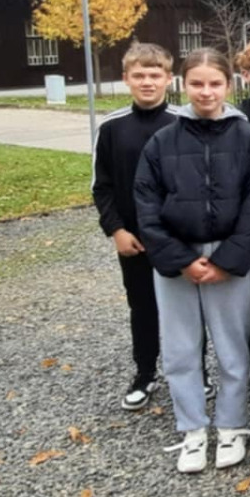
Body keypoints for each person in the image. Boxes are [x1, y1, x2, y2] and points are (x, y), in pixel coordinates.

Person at [133, 49, 250, 474]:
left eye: (215, 83)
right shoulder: (162, 141)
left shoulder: (248, 138)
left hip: (228, 258)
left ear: (229, 85)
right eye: (197, 83)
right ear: (184, 85)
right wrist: (180, 259)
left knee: (232, 348)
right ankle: (192, 427)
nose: (206, 92)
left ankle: (231, 424)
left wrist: (228, 260)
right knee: (180, 348)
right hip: (178, 258)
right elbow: (146, 206)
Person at [92, 42, 177, 411]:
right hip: (134, 239)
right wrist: (116, 230)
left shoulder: (182, 122)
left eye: (154, 75)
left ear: (168, 79)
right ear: (126, 78)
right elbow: (102, 185)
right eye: (139, 75)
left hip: (176, 237)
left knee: (185, 309)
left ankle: (195, 371)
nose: (147, 82)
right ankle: (145, 373)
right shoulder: (112, 127)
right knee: (142, 306)